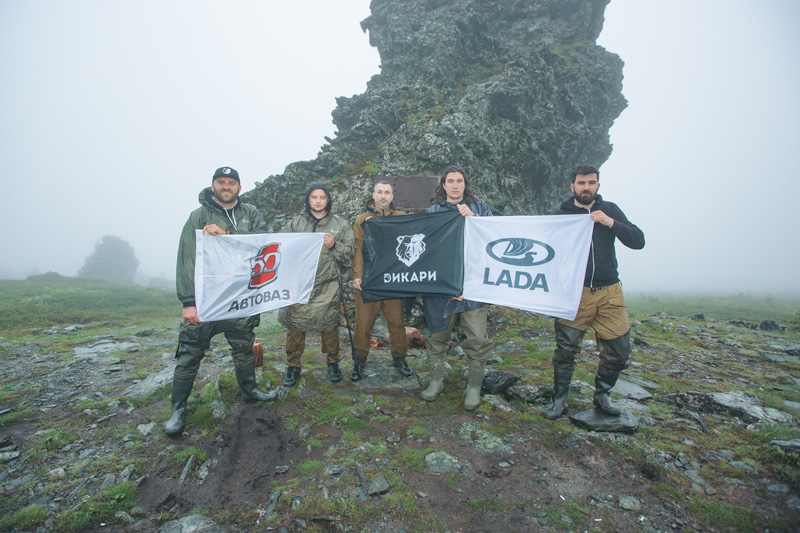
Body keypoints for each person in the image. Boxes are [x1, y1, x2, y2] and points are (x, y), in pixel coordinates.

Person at [167, 166, 277, 436]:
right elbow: (186, 259)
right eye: (221, 182)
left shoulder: (250, 213)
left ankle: (250, 390)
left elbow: (264, 242)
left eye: (231, 182)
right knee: (190, 352)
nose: (226, 187)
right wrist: (188, 302)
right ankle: (178, 410)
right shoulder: (198, 216)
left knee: (243, 345)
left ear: (239, 187)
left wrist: (227, 236)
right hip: (207, 298)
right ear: (213, 185)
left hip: (241, 296)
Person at [544, 165, 645, 419]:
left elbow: (638, 240)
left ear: (598, 185)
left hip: (610, 291)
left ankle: (602, 395)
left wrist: (609, 222)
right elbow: (545, 250)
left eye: (591, 182)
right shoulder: (562, 215)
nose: (586, 187)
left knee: (619, 350)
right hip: (575, 293)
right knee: (566, 350)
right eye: (581, 183)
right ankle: (559, 400)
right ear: (572, 187)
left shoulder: (609, 209)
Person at [421, 165, 494, 410]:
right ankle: (436, 381)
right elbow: (427, 246)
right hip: (442, 285)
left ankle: (473, 388)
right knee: (438, 334)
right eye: (450, 181)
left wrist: (474, 220)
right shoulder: (435, 210)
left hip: (473, 284)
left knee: (476, 337)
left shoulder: (480, 207)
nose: (455, 185)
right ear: (443, 185)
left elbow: (495, 238)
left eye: (459, 181)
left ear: (465, 183)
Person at [278, 183, 355, 386]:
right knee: (295, 326)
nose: (318, 200)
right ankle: (293, 365)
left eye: (322, 197)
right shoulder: (295, 223)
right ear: (308, 199)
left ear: (328, 200)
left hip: (328, 285)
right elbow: (280, 247)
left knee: (329, 325)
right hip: (299, 283)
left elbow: (350, 252)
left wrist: (334, 245)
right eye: (314, 197)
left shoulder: (339, 224)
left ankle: (333, 363)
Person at [351, 180, 411, 381]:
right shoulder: (362, 220)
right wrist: (357, 275)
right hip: (369, 279)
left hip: (393, 280)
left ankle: (400, 358)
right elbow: (357, 249)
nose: (383, 196)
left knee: (396, 322)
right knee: (363, 322)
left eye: (387, 192)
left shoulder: (402, 219)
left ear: (393, 196)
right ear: (373, 195)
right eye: (380, 192)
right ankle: (359, 361)